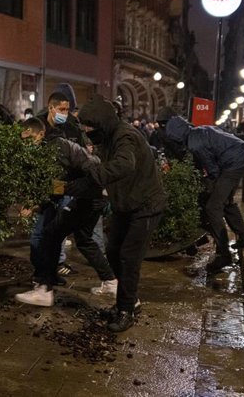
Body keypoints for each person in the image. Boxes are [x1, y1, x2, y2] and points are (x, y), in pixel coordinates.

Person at [76, 94, 166, 332]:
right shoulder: (106, 136)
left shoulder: (125, 136)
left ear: (103, 123)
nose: (87, 131)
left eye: (90, 127)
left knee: (129, 256)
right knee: (113, 251)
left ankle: (126, 310)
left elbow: (125, 164)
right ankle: (126, 302)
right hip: (124, 205)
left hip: (145, 205)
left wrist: (96, 174)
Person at [14, 118, 116, 307]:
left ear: (40, 134)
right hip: (91, 195)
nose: (26, 145)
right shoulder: (53, 147)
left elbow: (59, 186)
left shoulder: (55, 149)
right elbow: (58, 188)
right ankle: (111, 282)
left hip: (90, 196)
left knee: (51, 234)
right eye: (23, 141)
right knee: (84, 241)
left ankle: (44, 289)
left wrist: (39, 202)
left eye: (29, 140)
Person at [166, 116, 244, 271]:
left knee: (213, 207)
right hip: (240, 154)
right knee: (225, 201)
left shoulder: (194, 144)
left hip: (233, 162)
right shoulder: (199, 130)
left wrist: (209, 187)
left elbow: (213, 170)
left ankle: (223, 255)